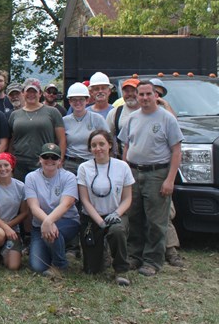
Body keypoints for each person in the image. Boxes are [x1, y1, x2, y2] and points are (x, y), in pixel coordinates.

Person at [119, 80, 183, 277]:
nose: (145, 98)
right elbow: (127, 146)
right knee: (134, 216)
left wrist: (170, 179)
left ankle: (152, 260)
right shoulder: (132, 118)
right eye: (141, 94)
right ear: (136, 96)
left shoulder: (167, 119)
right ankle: (134, 256)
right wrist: (125, 171)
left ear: (156, 95)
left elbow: (176, 150)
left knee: (156, 220)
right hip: (134, 173)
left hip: (157, 173)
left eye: (149, 94)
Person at [77, 130, 135, 286]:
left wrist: (116, 213)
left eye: (102, 144)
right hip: (92, 217)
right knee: (92, 269)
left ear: (110, 145)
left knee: (116, 231)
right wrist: (100, 222)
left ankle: (121, 270)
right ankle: (102, 255)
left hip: (115, 215)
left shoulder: (122, 166)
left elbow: (127, 198)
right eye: (93, 145)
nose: (98, 148)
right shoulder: (84, 168)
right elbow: (84, 199)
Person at [24, 143, 81, 277]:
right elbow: (33, 206)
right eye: (46, 157)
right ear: (40, 159)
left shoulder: (69, 177)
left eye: (54, 158)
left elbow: (66, 204)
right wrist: (47, 222)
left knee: (53, 232)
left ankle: (60, 265)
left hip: (67, 221)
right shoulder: (31, 177)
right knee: (38, 266)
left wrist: (49, 221)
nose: (50, 161)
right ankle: (53, 249)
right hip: (40, 225)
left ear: (60, 161)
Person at [8, 78, 66, 180]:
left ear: (40, 94)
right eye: (28, 92)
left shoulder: (53, 112)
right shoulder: (14, 115)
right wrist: (10, 161)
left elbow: (62, 140)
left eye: (34, 92)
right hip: (20, 164)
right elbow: (11, 140)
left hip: (44, 161)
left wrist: (59, 161)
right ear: (23, 93)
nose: (31, 95)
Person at [0, 153, 28, 270]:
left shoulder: (21, 186)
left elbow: (24, 212)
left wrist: (9, 227)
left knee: (13, 266)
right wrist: (5, 228)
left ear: (12, 166)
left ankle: (3, 251)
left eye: (6, 165)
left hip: (13, 229)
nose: (3, 169)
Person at [63, 82, 109, 174]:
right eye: (74, 100)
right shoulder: (64, 121)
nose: (78, 103)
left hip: (91, 163)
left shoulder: (97, 119)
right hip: (69, 164)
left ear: (87, 100)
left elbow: (108, 141)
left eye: (81, 99)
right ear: (69, 102)